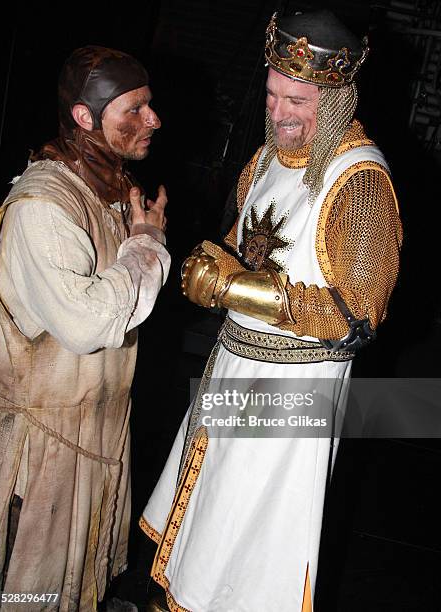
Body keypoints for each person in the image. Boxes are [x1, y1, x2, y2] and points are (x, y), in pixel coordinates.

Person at [141, 10, 402, 612]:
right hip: (234, 367)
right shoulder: (264, 158)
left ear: (334, 95)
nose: (280, 112)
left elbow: (357, 314)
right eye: (273, 94)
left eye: (298, 100)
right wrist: (212, 260)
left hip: (293, 390)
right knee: (206, 521)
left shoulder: (359, 180)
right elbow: (247, 243)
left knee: (251, 546)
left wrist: (235, 289)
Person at [0, 46, 170, 611]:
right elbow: (88, 321)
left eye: (150, 106)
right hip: (40, 455)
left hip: (91, 436)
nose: (154, 120)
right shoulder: (43, 205)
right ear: (84, 118)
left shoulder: (108, 187)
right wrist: (146, 246)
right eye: (135, 110)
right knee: (30, 594)